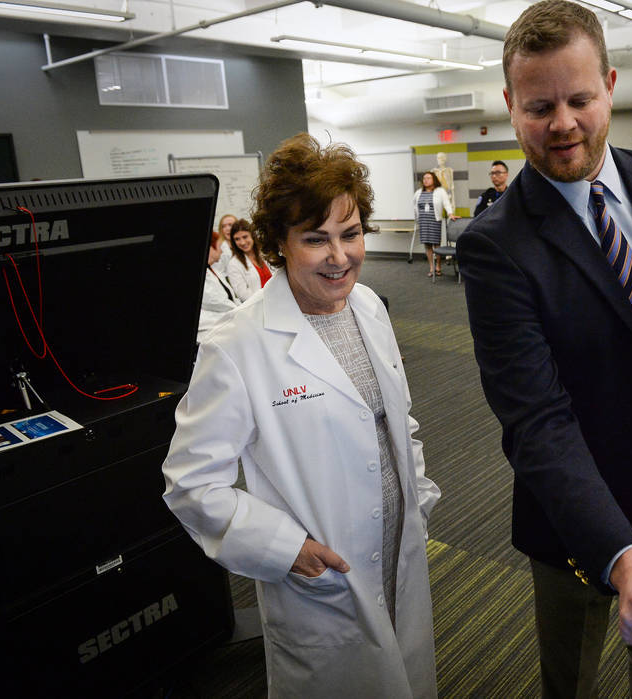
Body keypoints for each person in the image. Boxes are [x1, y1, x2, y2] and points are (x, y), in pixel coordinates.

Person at [455, 2, 632, 696]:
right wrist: (620, 555)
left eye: (580, 99)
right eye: (539, 105)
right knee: (572, 681)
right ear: (509, 104)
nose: (563, 123)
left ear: (610, 85)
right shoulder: (495, 247)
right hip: (575, 528)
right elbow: (536, 422)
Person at [162, 133, 440, 697]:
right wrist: (285, 551)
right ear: (278, 244)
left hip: (397, 544)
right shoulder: (237, 344)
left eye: (351, 234)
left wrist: (419, 497)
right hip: (322, 573)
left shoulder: (368, 307)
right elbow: (191, 484)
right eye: (316, 239)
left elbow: (396, 419)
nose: (340, 257)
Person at [412, 170, 456, 278]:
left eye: (428, 178)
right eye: (424, 178)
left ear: (434, 180)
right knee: (427, 244)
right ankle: (431, 267)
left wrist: (450, 214)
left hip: (434, 220)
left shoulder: (440, 191)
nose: (425, 180)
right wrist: (417, 217)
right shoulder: (418, 192)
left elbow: (446, 203)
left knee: (436, 244)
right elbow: (414, 205)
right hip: (423, 221)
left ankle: (438, 266)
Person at [197, 236, 239, 344]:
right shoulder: (202, 273)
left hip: (225, 320)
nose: (221, 251)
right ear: (210, 248)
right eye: (220, 247)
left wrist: (241, 307)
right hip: (209, 328)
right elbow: (214, 301)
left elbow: (231, 297)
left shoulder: (214, 269)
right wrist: (239, 310)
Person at [226, 218, 272, 301]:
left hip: (280, 297)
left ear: (252, 235)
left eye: (245, 237)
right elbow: (243, 294)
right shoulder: (233, 265)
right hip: (259, 305)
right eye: (237, 239)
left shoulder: (265, 252)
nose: (242, 242)